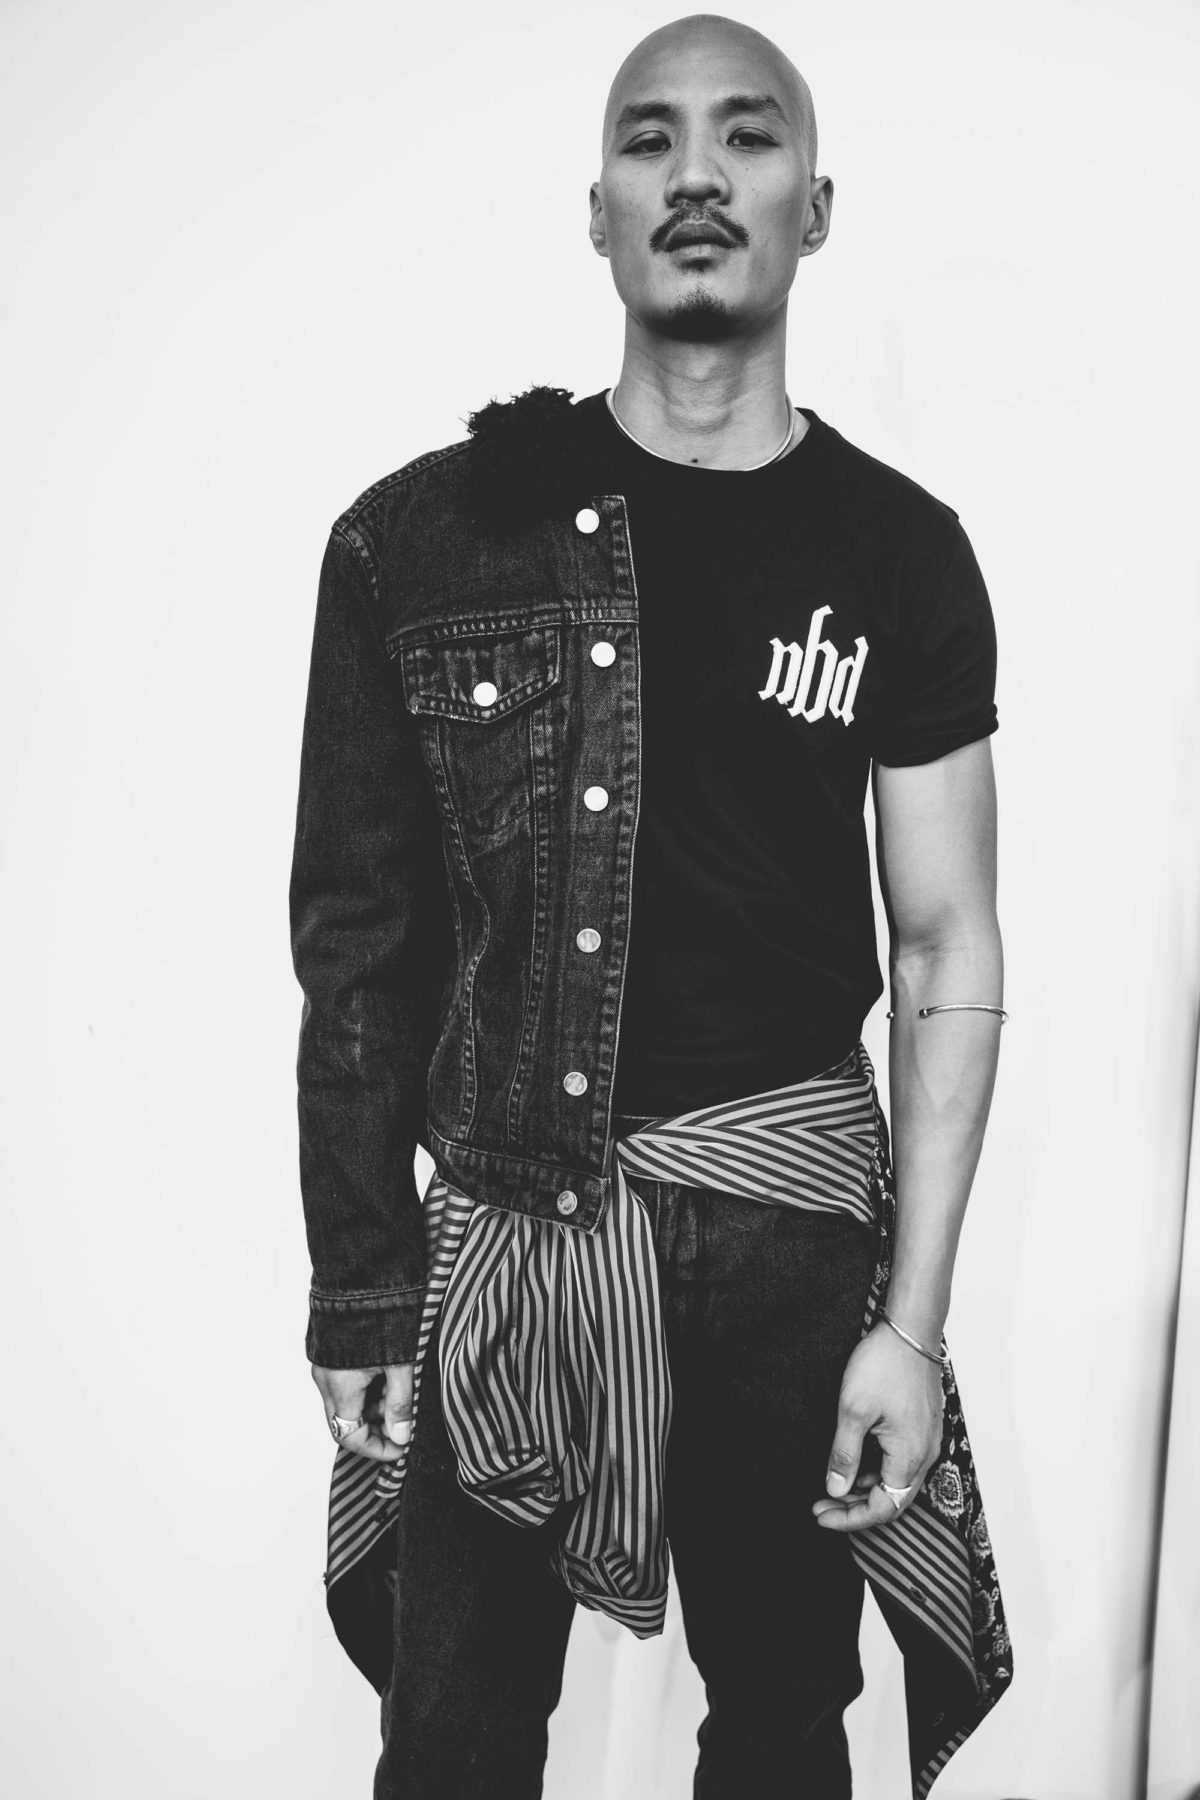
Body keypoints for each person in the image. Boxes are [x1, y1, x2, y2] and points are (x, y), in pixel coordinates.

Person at [288, 14, 1014, 1798]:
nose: (697, 175)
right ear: (597, 211)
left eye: (748, 138)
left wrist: (912, 1329)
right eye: (650, 141)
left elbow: (946, 947)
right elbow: (362, 944)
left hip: (790, 1241)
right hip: (511, 1238)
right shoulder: (423, 541)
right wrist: (363, 1287)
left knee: (781, 1732)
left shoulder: (900, 551)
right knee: (453, 1744)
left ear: (815, 206)